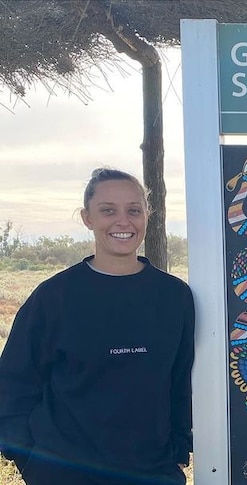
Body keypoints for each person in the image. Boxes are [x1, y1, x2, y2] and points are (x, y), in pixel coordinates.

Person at [0, 168, 195, 485]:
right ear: (87, 218)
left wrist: (177, 451)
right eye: (108, 211)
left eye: (134, 210)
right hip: (63, 473)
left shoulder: (174, 297)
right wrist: (32, 462)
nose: (123, 221)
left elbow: (180, 382)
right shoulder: (53, 298)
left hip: (151, 473)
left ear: (148, 215)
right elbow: (12, 386)